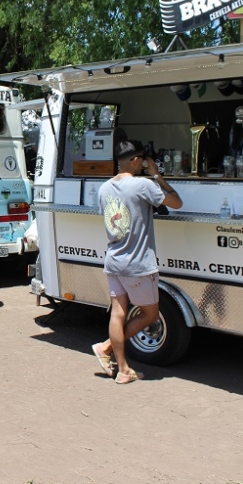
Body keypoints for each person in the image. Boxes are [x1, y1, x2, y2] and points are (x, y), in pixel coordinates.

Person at [91, 140, 183, 384]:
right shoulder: (143, 185)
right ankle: (107, 347)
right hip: (138, 263)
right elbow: (176, 202)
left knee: (118, 314)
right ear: (135, 160)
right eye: (142, 159)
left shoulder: (103, 189)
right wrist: (157, 175)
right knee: (151, 314)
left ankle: (122, 369)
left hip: (113, 260)